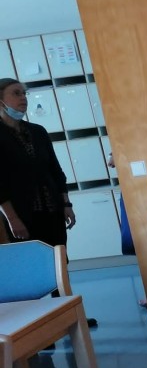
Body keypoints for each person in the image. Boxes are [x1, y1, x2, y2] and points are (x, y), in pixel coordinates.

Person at [0, 77, 98, 328]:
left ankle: (68, 317)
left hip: (51, 207)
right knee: (30, 269)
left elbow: (56, 170)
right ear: (1, 100)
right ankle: (37, 324)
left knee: (58, 262)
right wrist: (13, 219)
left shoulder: (38, 132)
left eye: (24, 93)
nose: (23, 98)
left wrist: (67, 204)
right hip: (21, 214)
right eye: (16, 93)